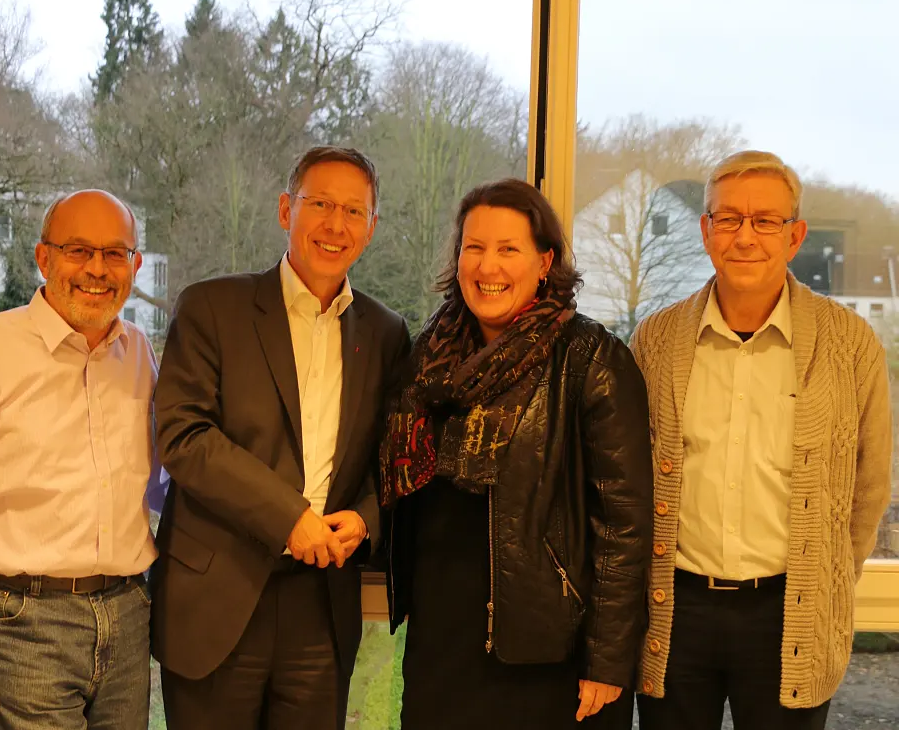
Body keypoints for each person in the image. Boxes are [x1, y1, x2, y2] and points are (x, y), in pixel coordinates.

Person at [632, 150, 893, 730]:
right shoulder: (656, 341)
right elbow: (629, 480)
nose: (744, 236)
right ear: (706, 231)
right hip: (675, 611)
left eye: (765, 221)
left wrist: (823, 582)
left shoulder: (850, 345)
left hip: (790, 613)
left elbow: (869, 487)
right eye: (728, 219)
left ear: (794, 236)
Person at [151, 146, 411, 730]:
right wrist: (288, 517)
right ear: (285, 210)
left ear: (371, 228)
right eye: (320, 204)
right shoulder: (212, 307)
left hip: (322, 605)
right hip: (216, 596)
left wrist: (367, 517)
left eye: (353, 211)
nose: (336, 224)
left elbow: (395, 458)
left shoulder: (386, 332)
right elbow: (185, 435)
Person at [380, 178, 654, 729]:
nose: (489, 267)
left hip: (548, 648)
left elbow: (624, 527)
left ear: (545, 261)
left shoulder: (591, 359)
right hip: (441, 637)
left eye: (509, 249)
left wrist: (607, 660)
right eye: (474, 247)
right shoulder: (428, 356)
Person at [0, 190, 158, 730]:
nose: (97, 269)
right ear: (44, 258)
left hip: (127, 612)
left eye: (115, 253)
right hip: (18, 617)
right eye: (78, 250)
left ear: (135, 265)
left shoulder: (139, 352)